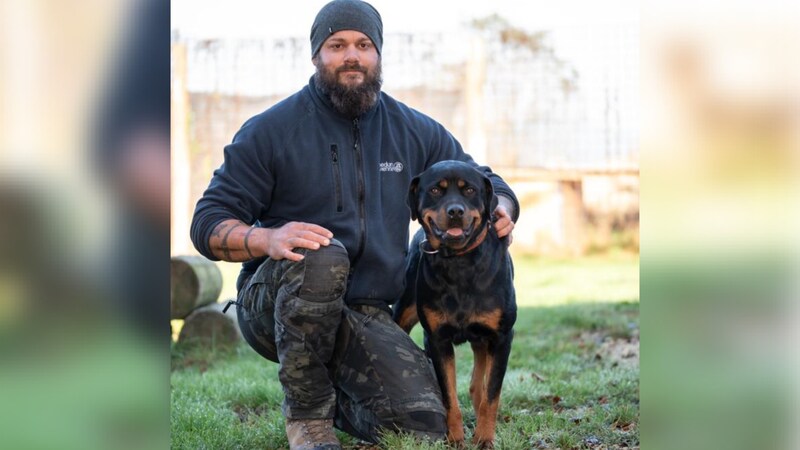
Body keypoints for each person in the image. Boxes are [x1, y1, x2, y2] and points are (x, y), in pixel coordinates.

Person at [190, 1, 519, 449]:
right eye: (336, 45)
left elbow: (484, 179)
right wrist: (266, 237)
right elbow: (207, 222)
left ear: (378, 55)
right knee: (322, 254)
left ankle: (341, 395)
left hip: (364, 309)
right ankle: (307, 419)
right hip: (278, 303)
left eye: (364, 45)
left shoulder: (414, 131)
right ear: (315, 55)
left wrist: (503, 206)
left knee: (424, 422)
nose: (352, 56)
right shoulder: (271, 131)